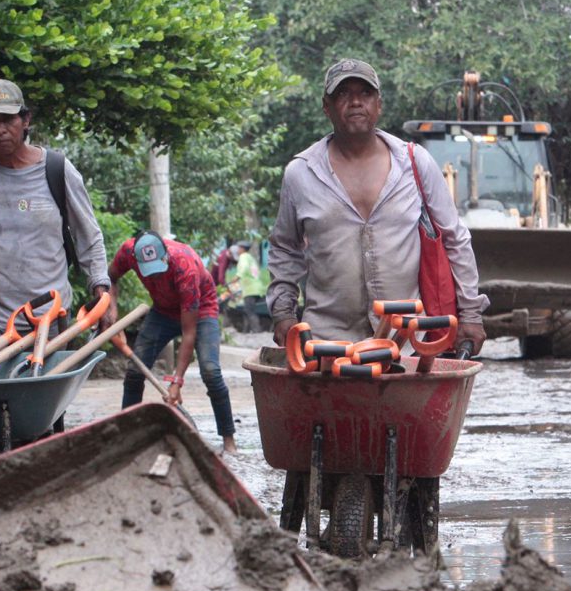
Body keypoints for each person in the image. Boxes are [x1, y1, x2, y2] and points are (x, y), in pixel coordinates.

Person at [267, 58, 489, 353]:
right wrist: (283, 313)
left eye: (365, 94)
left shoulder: (414, 162)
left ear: (379, 105)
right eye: (343, 94)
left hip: (408, 339)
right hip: (327, 344)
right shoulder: (301, 173)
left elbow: (454, 238)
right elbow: (284, 248)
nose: (356, 102)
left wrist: (471, 314)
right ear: (326, 107)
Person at [0, 78, 112, 353]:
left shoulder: (58, 171)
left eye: (8, 119)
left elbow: (88, 237)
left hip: (49, 313)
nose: (0, 130)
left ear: (25, 120)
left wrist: (102, 294)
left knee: (41, 392)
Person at [107, 231, 238, 454]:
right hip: (163, 311)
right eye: (150, 273)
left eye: (158, 270)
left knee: (210, 371)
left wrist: (176, 381)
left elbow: (189, 333)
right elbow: (110, 276)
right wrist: (112, 307)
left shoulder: (184, 266)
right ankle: (127, 434)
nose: (155, 277)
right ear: (136, 260)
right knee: (135, 371)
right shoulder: (129, 251)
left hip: (201, 310)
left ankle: (229, 440)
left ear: (166, 256)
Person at [233, 241, 266, 333]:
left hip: (250, 289)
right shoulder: (251, 258)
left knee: (249, 310)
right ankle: (246, 331)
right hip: (258, 288)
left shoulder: (243, 257)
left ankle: (257, 331)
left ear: (242, 249)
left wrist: (236, 277)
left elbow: (243, 268)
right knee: (249, 310)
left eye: (239, 248)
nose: (238, 250)